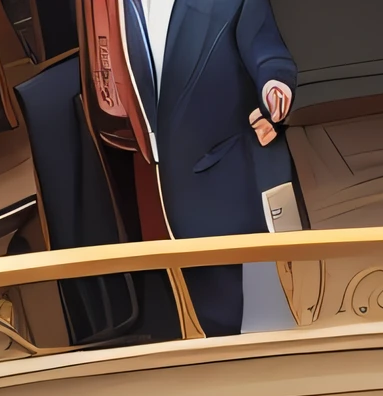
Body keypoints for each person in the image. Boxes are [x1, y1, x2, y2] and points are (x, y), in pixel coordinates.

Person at [77, 0, 295, 337]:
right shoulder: (107, 7)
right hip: (139, 178)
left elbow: (268, 53)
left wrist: (274, 89)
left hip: (221, 177)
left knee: (252, 314)